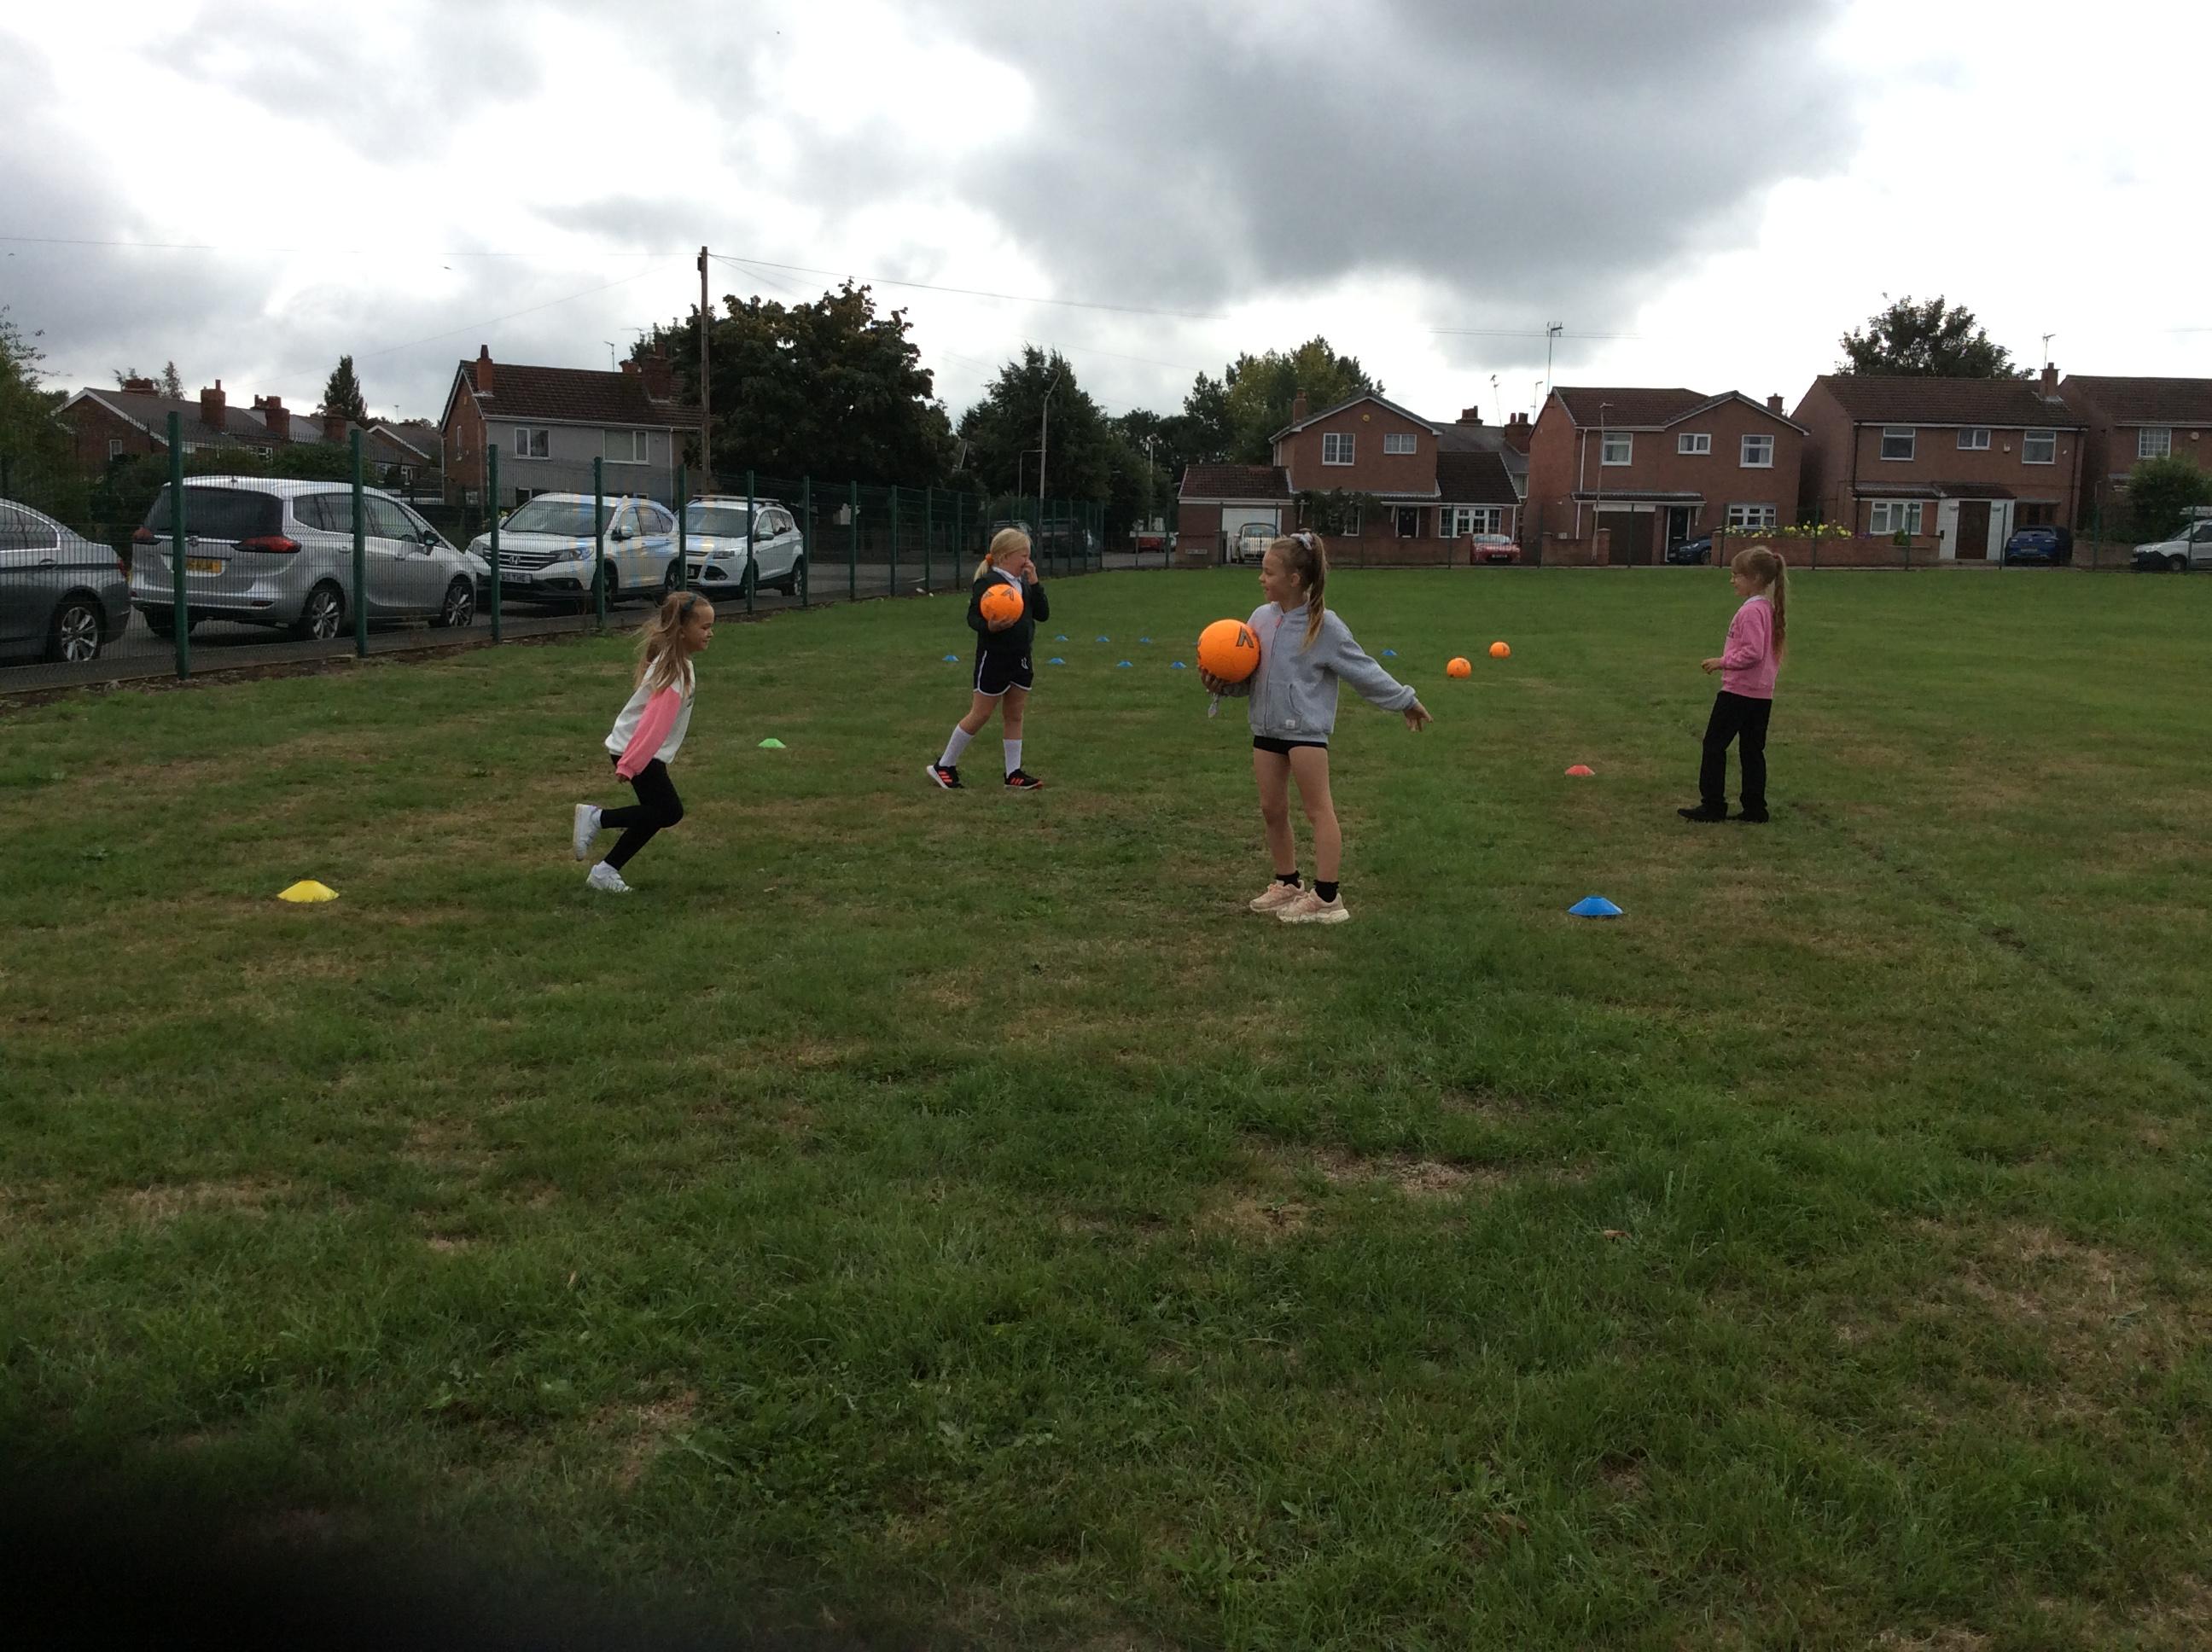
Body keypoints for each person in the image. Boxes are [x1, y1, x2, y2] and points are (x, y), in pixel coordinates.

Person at [1201, 531, 1430, 925]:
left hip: (1306, 732)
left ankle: (1327, 897)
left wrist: (1405, 700)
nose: (1261, 578)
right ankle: (1287, 882)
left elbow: (1364, 671)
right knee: (1272, 809)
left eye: (1268, 572)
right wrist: (1222, 685)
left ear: (1294, 579)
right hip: (1266, 730)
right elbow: (1250, 677)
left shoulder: (1324, 626)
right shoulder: (1259, 619)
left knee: (1318, 810)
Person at [571, 591, 713, 892]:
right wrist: (631, 764)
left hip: (640, 750)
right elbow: (653, 724)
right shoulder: (676, 671)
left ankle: (605, 871)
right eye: (704, 627)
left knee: (657, 812)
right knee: (668, 811)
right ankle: (597, 819)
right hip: (637, 750)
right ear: (681, 630)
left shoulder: (678, 664)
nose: (710, 633)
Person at [926, 526, 1049, 791]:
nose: (1027, 561)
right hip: (994, 658)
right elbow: (973, 618)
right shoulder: (988, 583)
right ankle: (944, 765)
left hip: (1021, 657)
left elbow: (1043, 614)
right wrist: (990, 627)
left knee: (1015, 715)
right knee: (980, 713)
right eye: (1023, 556)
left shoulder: (1023, 583)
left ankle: (1013, 773)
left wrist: (1035, 583)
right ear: (1005, 556)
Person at [1679, 544, 1786, 824]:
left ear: (1755, 578)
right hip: (1761, 694)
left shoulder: (1751, 612)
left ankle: (1713, 805)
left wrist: (1722, 662)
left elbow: (1753, 652)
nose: (1732, 580)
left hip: (1739, 692)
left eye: (1737, 575)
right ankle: (1755, 808)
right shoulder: (1767, 609)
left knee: (1714, 745)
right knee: (1752, 750)